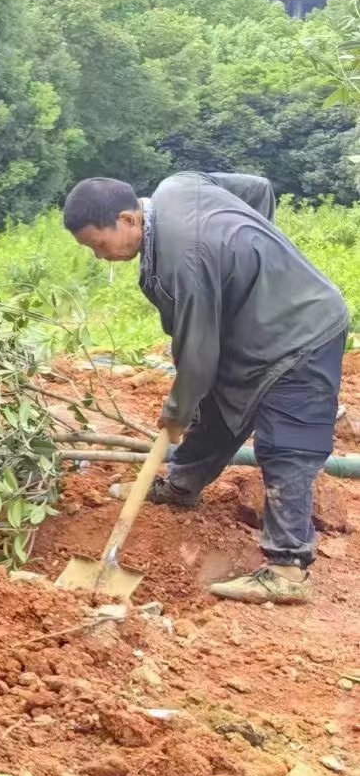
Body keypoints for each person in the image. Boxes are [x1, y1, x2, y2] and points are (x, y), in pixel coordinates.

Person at [65, 172, 350, 604]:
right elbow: (258, 188)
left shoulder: (185, 260)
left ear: (127, 219)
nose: (99, 256)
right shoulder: (177, 186)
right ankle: (181, 488)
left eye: (98, 244)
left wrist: (176, 414)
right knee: (215, 408)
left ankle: (287, 570)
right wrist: (249, 261)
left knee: (285, 443)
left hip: (302, 330)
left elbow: (197, 354)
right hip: (254, 331)